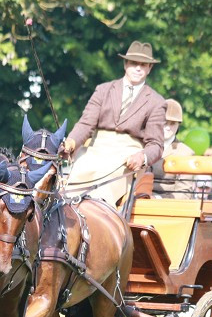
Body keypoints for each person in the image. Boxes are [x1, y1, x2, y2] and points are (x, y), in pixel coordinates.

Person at [61, 41, 167, 206]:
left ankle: (100, 222)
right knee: (71, 187)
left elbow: (156, 144)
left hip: (127, 158)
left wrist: (142, 157)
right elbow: (85, 124)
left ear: (149, 68)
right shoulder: (103, 90)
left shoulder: (156, 102)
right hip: (95, 151)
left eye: (143, 64)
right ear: (125, 64)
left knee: (101, 192)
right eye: (134, 63)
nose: (138, 68)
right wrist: (70, 142)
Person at [152, 99, 197, 198]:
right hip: (139, 198)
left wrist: (158, 199)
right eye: (165, 123)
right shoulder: (143, 145)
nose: (168, 127)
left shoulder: (186, 153)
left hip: (168, 203)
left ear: (178, 125)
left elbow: (184, 192)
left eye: (172, 124)